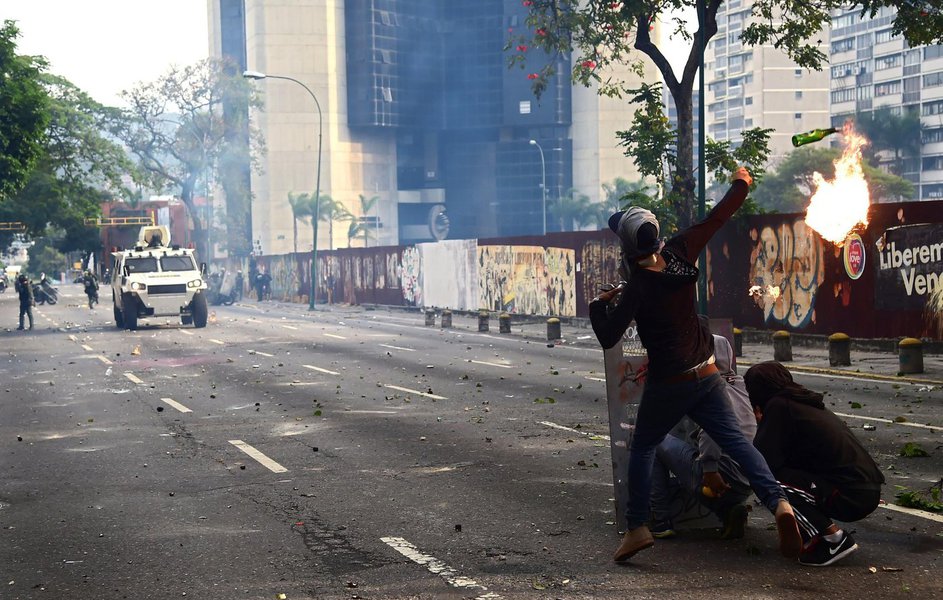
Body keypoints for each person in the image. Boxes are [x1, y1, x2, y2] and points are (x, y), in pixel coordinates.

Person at [590, 166, 801, 563]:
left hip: (669, 382)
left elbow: (607, 336)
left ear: (628, 250)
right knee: (738, 443)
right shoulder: (681, 252)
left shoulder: (636, 286)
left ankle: (638, 527)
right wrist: (741, 182)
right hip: (706, 373)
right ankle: (778, 503)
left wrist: (597, 305)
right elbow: (718, 215)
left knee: (643, 446)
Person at [744, 361, 884, 567]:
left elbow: (762, 460)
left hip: (850, 495)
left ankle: (834, 538)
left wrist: (759, 423)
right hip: (863, 489)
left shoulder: (779, 406)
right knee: (783, 474)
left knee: (767, 480)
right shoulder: (801, 401)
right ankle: (811, 534)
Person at [649, 334, 755, 540]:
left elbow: (712, 431)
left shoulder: (708, 388)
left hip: (716, 480)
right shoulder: (740, 384)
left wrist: (709, 468)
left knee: (653, 440)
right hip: (746, 482)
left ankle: (660, 521)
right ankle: (729, 511)